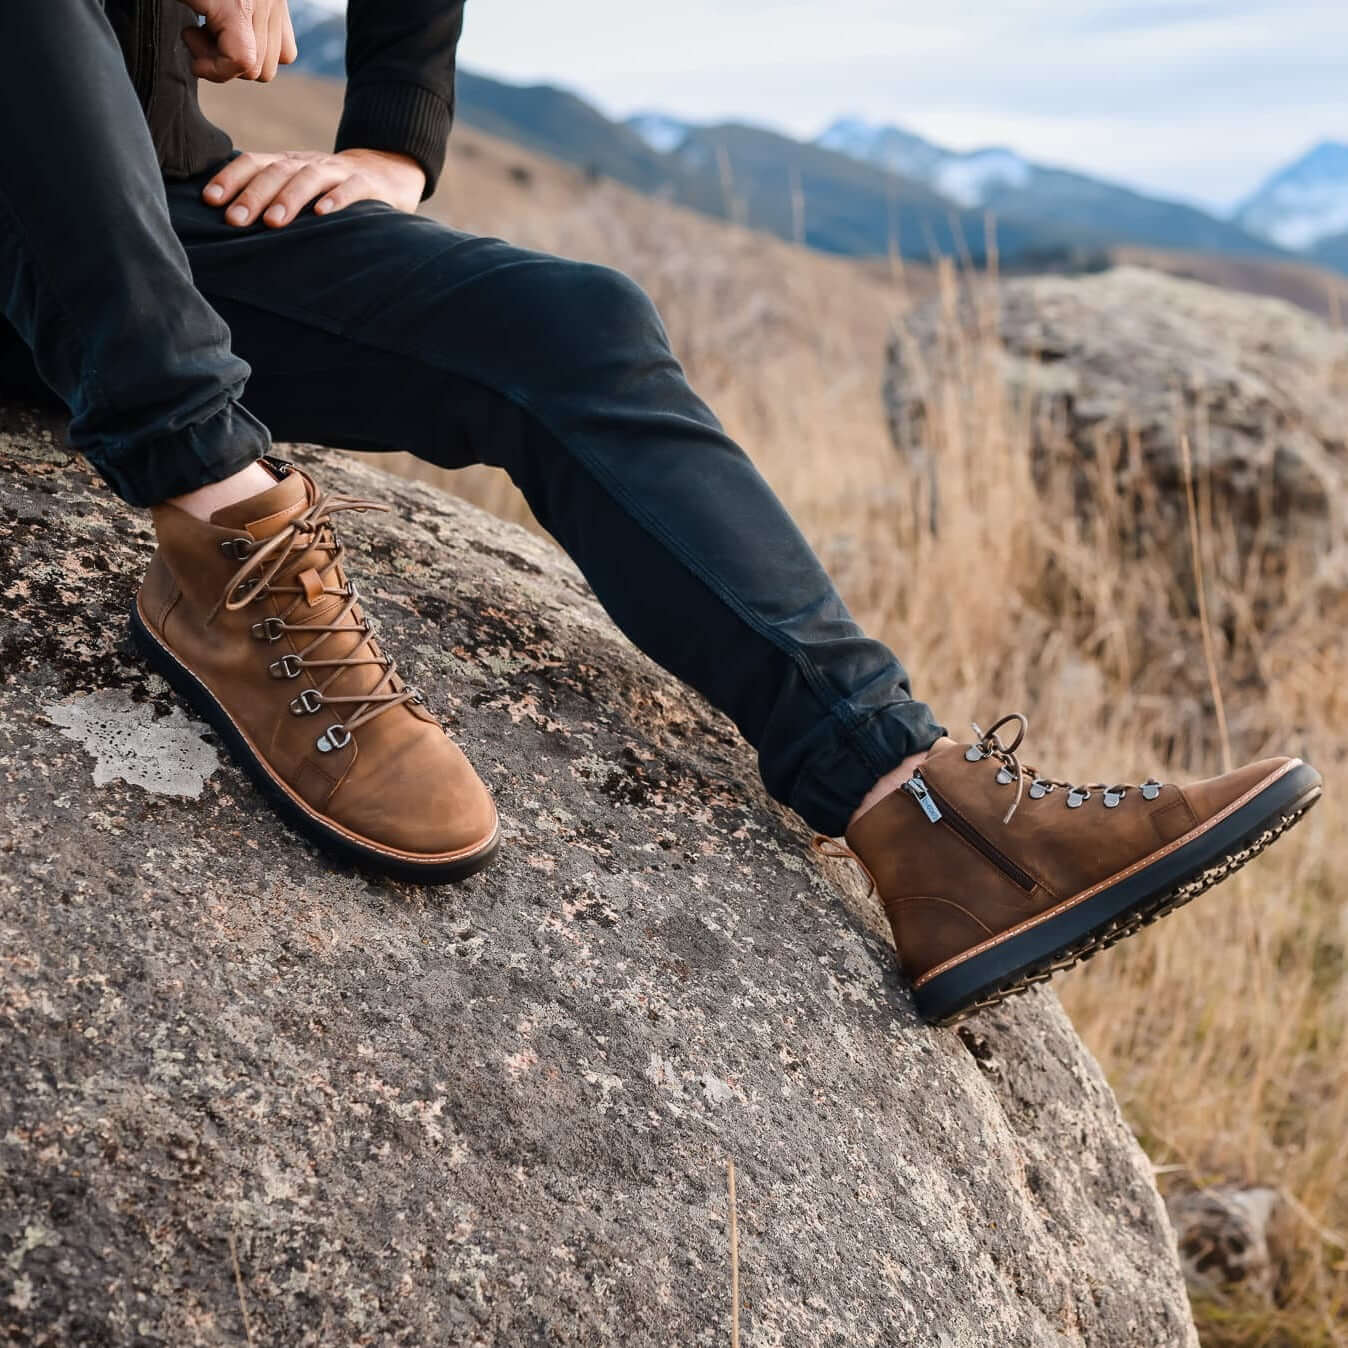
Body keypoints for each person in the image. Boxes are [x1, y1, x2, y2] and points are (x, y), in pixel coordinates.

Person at [0, 0, 1321, 1026]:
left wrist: (394, 135)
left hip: (149, 200)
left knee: (569, 325)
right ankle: (230, 541)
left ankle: (929, 819)